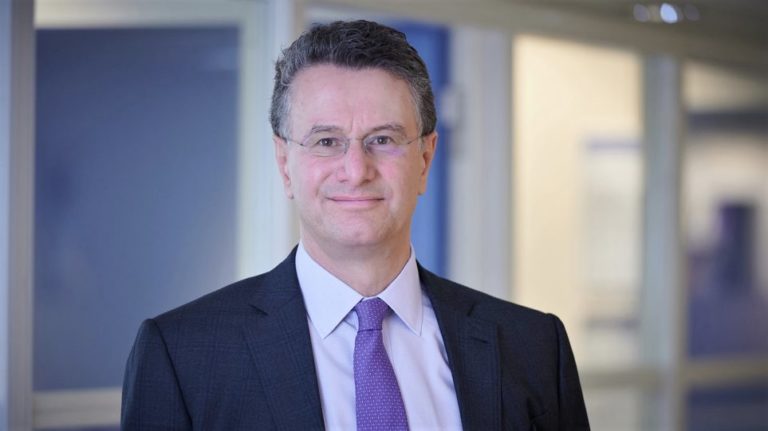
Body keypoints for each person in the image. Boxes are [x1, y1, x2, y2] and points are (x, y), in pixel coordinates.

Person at [121, 20, 589, 431]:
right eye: (326, 141)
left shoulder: (532, 347)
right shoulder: (181, 355)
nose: (356, 170)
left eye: (382, 139)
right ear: (285, 164)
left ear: (425, 159)